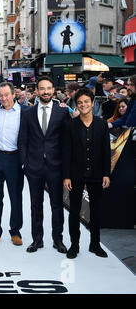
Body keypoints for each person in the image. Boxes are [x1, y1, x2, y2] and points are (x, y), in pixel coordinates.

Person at [19, 76, 70, 254]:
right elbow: (23, 140)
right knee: (36, 205)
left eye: (49, 88)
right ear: (37, 91)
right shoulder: (27, 113)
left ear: (53, 90)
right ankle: (37, 240)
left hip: (56, 166)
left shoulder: (62, 112)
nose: (46, 92)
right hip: (34, 167)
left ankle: (58, 240)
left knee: (57, 205)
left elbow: (67, 141)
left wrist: (65, 166)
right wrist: (24, 163)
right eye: (42, 89)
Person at [63, 88, 111, 259]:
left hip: (97, 174)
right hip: (76, 174)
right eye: (80, 102)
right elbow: (66, 151)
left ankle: (95, 244)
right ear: (77, 105)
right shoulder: (70, 125)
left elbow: (106, 150)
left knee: (96, 210)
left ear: (92, 104)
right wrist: (66, 176)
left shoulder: (102, 124)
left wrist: (106, 173)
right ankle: (74, 245)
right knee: (74, 211)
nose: (83, 105)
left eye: (86, 102)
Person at [0, 82, 28, 246]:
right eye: (1, 95)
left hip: (15, 159)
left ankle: (15, 231)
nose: (4, 98)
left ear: (14, 94)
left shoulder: (24, 112)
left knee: (16, 197)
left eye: (7, 95)